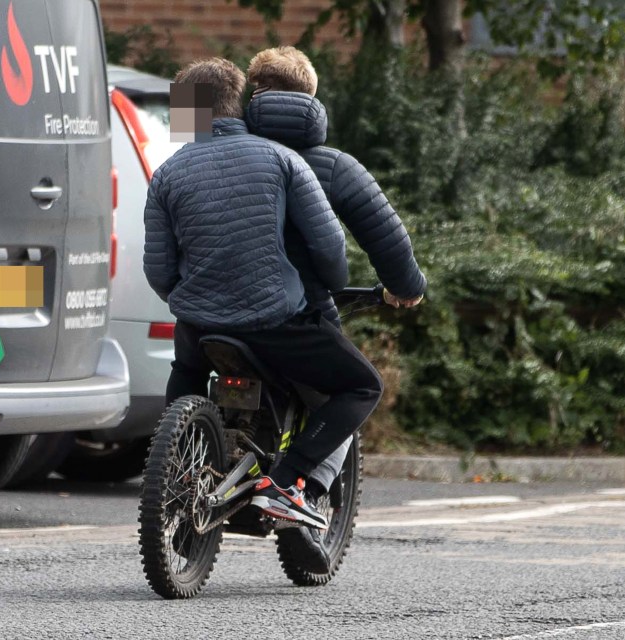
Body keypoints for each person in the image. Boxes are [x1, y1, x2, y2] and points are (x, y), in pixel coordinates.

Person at [144, 58, 384, 533]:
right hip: (277, 325)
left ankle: (173, 470)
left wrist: (195, 300)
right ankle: (287, 480)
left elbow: (159, 271)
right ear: (237, 104)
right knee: (361, 385)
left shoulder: (167, 174)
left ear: (191, 111)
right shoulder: (280, 158)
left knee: (187, 372)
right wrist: (332, 285)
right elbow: (329, 245)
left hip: (201, 327)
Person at [244, 45, 427, 563]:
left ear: (252, 95)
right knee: (356, 385)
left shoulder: (226, 159)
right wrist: (406, 287)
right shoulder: (333, 166)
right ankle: (292, 482)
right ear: (310, 101)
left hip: (208, 311)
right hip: (293, 318)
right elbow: (386, 238)